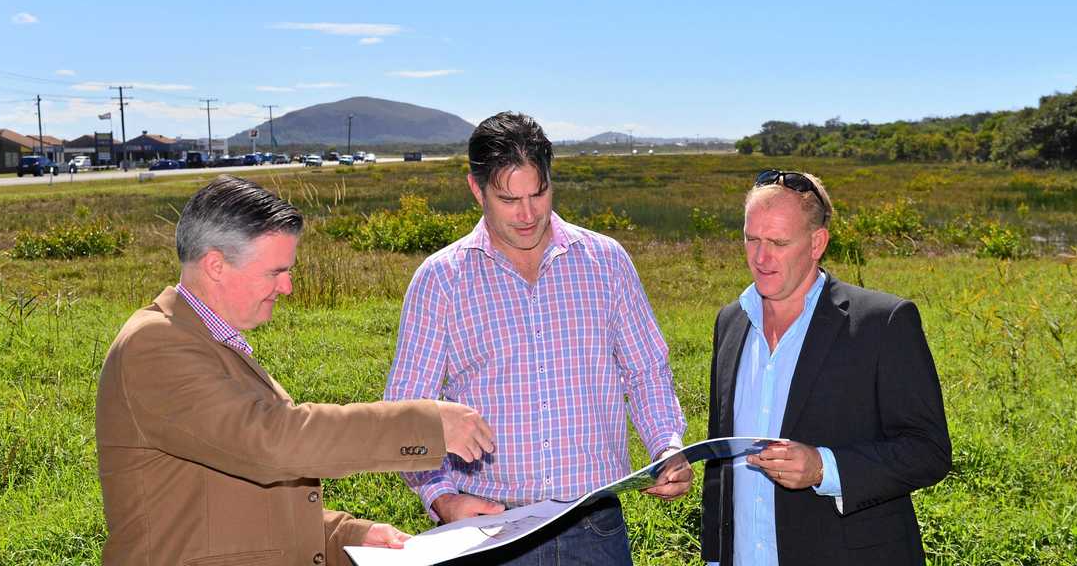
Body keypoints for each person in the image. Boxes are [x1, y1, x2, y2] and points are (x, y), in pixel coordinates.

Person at [96, 175, 496, 566]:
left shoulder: (210, 341)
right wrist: (427, 424)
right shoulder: (155, 345)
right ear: (215, 265)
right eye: (275, 271)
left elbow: (231, 501)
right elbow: (271, 443)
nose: (287, 287)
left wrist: (348, 537)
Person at [385, 111, 692, 565]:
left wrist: (666, 447)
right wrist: (441, 497)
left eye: (539, 192)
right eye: (509, 199)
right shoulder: (441, 280)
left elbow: (646, 373)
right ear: (477, 189)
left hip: (594, 525)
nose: (527, 214)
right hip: (489, 530)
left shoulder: (606, 262)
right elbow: (407, 409)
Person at [701, 170, 951, 565]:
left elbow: (929, 450)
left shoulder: (881, 323)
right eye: (752, 239)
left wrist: (824, 467)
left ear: (817, 243)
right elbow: (722, 461)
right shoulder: (730, 322)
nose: (761, 258)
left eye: (779, 243)